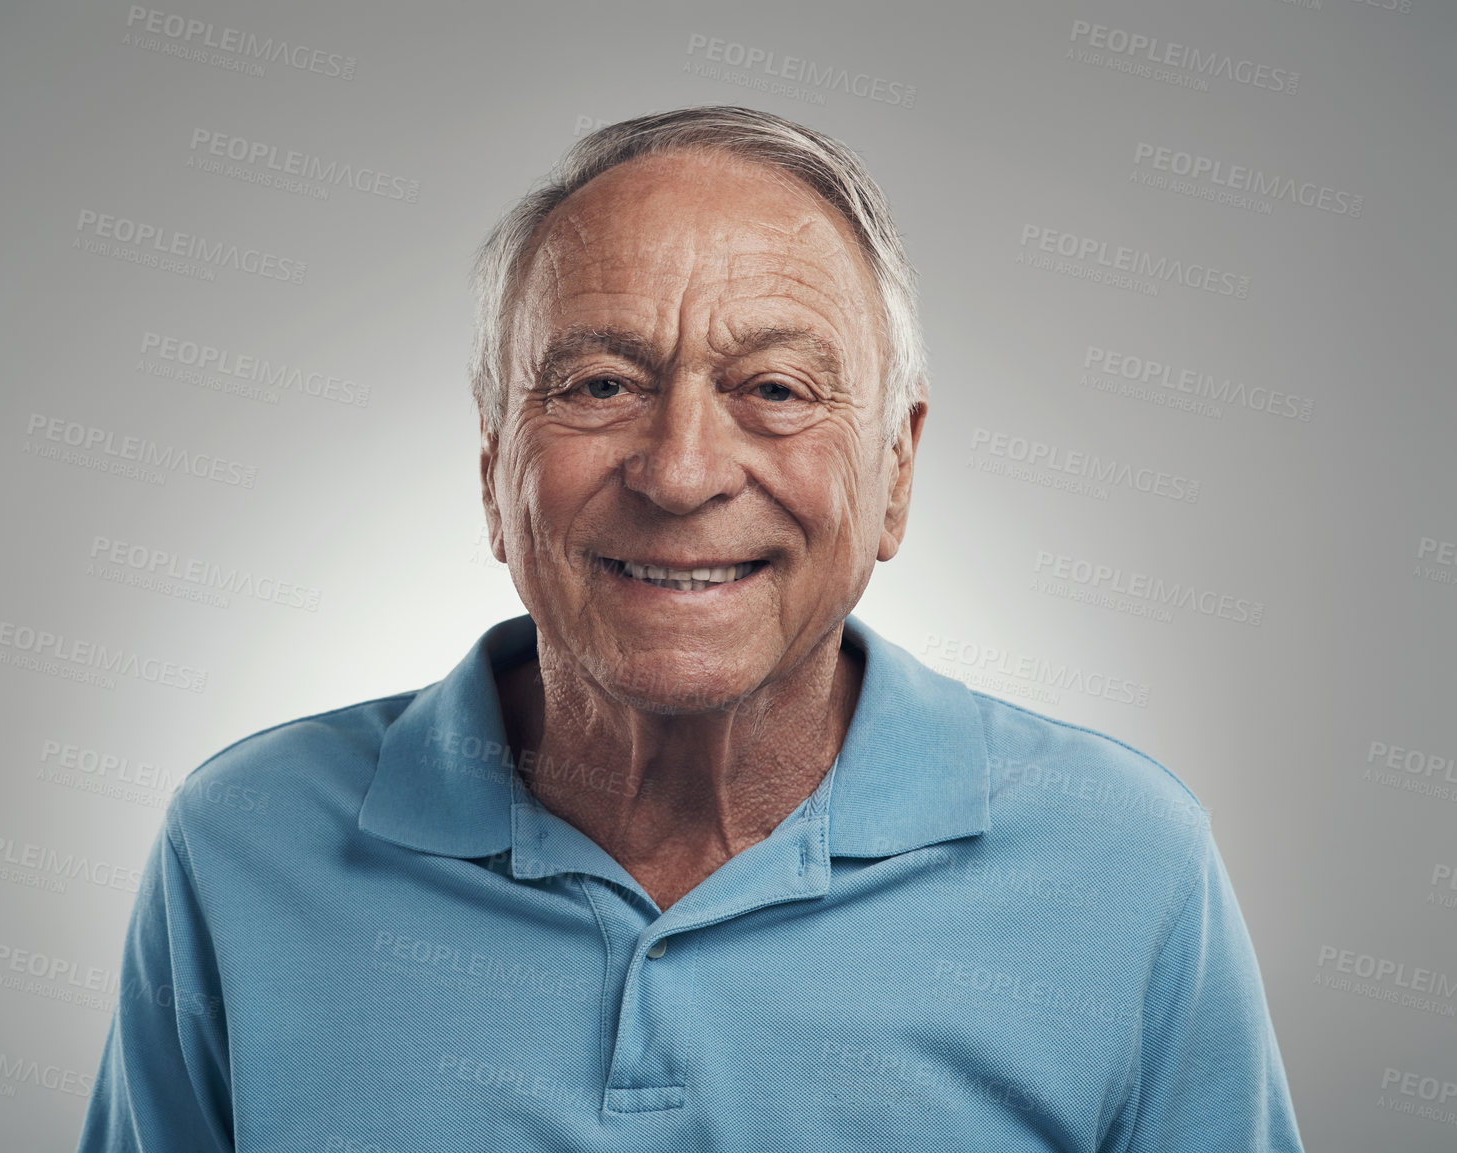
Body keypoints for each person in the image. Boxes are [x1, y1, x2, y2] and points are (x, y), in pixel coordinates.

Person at [78, 106, 1303, 1152]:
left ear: (894, 474)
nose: (679, 471)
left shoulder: (1123, 862)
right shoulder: (242, 843)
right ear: (498, 460)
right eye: (600, 384)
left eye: (775, 389)